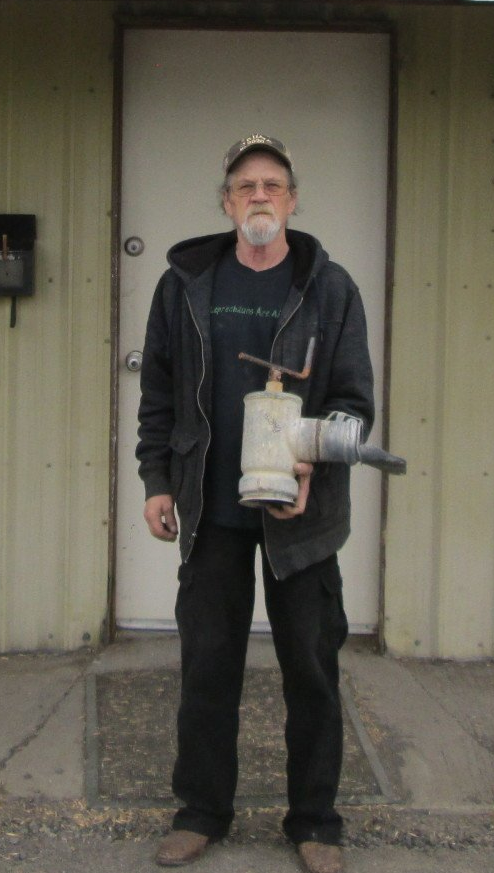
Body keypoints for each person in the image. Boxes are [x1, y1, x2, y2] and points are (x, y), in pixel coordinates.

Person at [136, 135, 375, 873]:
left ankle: (315, 821)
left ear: (293, 200)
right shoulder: (184, 285)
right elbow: (159, 395)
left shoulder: (329, 288)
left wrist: (309, 457)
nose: (260, 195)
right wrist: (156, 482)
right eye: (246, 185)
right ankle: (201, 810)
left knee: (311, 667)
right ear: (227, 202)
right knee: (209, 664)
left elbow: (353, 407)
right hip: (211, 513)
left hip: (301, 521)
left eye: (273, 183)